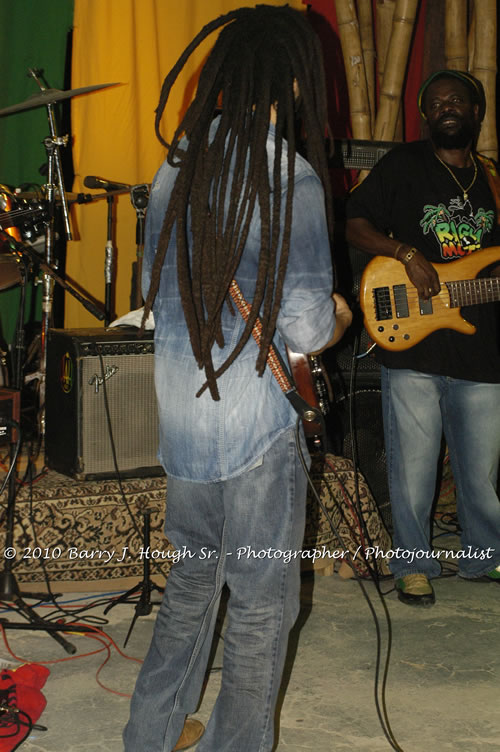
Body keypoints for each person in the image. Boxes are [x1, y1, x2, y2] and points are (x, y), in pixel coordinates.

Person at [123, 6, 352, 752]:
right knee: (259, 604)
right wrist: (343, 312)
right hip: (256, 429)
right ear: (292, 81)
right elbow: (308, 330)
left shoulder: (174, 169)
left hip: (184, 419)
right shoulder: (291, 178)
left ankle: (149, 736)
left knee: (191, 586)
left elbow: (157, 295)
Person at [345, 69, 500, 608]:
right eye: (436, 103)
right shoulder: (404, 164)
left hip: (482, 349)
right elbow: (355, 223)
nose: (446, 107)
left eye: (457, 100)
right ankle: (412, 564)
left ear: (476, 111)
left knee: (482, 472)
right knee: (413, 467)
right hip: (414, 342)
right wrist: (405, 254)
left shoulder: (492, 179)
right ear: (425, 116)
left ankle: (485, 556)